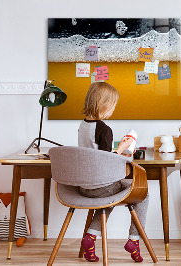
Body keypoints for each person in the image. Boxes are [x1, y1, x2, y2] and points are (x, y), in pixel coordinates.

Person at [78, 82, 149, 263]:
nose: (113, 109)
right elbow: (106, 161)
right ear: (105, 105)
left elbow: (95, 154)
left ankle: (91, 238)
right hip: (101, 186)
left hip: (84, 186)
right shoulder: (104, 129)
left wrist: (119, 150)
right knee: (143, 194)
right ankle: (134, 240)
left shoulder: (83, 125)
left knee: (108, 198)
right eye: (113, 105)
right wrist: (122, 148)